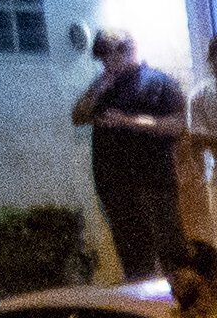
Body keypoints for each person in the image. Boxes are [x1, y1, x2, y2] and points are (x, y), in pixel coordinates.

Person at [73, 31, 188, 283]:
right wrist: (97, 90)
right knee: (133, 256)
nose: (106, 62)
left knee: (169, 251)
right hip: (113, 185)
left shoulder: (158, 82)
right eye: (102, 57)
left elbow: (177, 125)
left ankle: (183, 308)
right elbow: (77, 116)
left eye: (110, 55)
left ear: (128, 51)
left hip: (153, 183)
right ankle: (142, 310)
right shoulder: (102, 84)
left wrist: (127, 121)